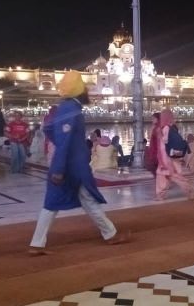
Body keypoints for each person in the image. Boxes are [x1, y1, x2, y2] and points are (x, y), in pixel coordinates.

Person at [29, 70, 128, 256]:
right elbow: (64, 141)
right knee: (86, 200)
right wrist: (59, 168)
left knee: (54, 204)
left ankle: (37, 243)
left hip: (68, 164)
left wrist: (59, 149)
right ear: (79, 91)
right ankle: (110, 234)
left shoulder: (63, 107)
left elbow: (48, 128)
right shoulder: (72, 110)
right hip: (72, 167)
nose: (88, 92)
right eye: (84, 88)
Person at [154, 109, 194, 201]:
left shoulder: (166, 128)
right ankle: (160, 194)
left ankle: (190, 190)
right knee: (163, 175)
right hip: (166, 157)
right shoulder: (170, 127)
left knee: (172, 175)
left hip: (166, 157)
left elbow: (165, 141)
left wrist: (159, 134)